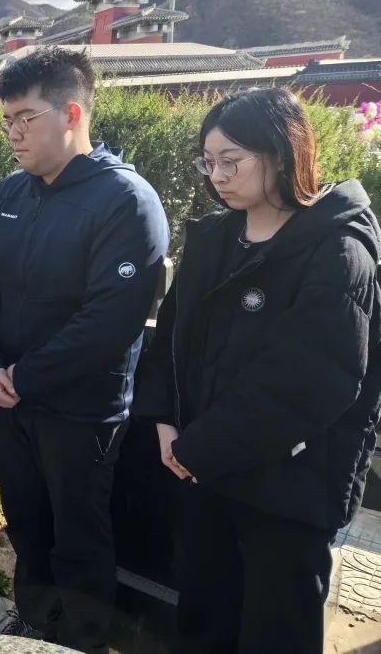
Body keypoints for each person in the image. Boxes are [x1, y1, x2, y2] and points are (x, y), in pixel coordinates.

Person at [134, 88, 381, 654]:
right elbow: (171, 338)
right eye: (209, 161)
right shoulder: (213, 239)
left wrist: (200, 448)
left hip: (287, 487)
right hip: (200, 469)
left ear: (283, 153)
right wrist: (166, 421)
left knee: (276, 627)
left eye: (232, 160)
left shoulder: (337, 252)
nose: (218, 175)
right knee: (204, 614)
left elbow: (311, 381)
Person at [0, 47, 169, 652]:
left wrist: (23, 375)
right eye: (7, 121)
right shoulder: (12, 192)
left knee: (79, 535)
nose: (13, 133)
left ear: (72, 113)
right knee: (27, 521)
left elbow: (110, 321)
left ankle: (82, 638)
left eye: (24, 119)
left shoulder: (125, 200)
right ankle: (34, 619)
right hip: (11, 399)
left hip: (82, 410)